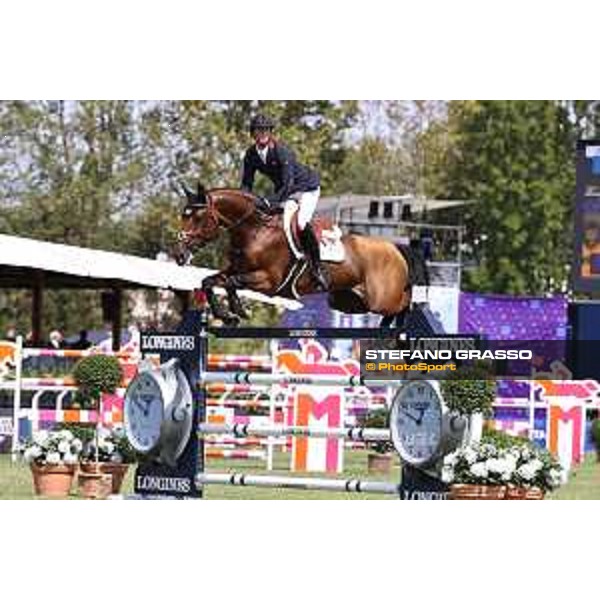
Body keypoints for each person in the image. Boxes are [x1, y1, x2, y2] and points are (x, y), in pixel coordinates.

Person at [240, 114, 328, 290]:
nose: (263, 133)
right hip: (285, 191)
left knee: (301, 223)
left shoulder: (282, 152)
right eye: (259, 130)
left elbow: (288, 185)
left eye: (266, 130)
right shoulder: (251, 154)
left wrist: (268, 201)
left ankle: (317, 269)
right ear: (253, 134)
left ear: (271, 132)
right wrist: (244, 203)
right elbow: (246, 183)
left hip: (306, 188)